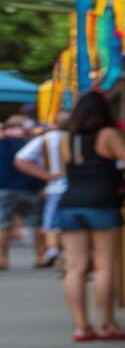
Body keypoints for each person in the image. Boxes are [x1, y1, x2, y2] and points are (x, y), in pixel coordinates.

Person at [15, 92, 125, 342]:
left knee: (75, 268)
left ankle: (81, 327)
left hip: (69, 203)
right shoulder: (108, 134)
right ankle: (106, 324)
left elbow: (62, 170)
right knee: (103, 266)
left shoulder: (66, 139)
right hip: (103, 203)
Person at [16, 111, 71, 266]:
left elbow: (20, 160)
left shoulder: (46, 139)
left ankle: (54, 250)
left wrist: (48, 176)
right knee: (71, 224)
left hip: (55, 187)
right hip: (79, 187)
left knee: (52, 223)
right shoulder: (77, 137)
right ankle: (64, 255)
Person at [0, 114, 47, 270]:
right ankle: (40, 257)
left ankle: (2, 259)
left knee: (3, 225)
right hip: (31, 187)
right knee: (36, 224)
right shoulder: (32, 141)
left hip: (5, 188)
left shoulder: (2, 142)